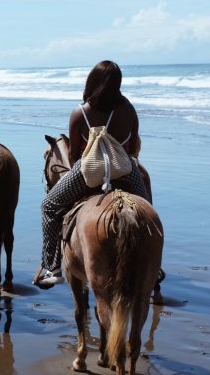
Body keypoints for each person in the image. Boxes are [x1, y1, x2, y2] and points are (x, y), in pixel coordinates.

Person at [34, 60, 148, 288]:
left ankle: (51, 266)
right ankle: (152, 267)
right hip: (125, 172)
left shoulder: (80, 113)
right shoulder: (128, 110)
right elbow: (133, 148)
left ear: (92, 81)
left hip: (90, 173)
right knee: (147, 213)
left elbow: (74, 155)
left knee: (48, 206)